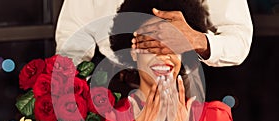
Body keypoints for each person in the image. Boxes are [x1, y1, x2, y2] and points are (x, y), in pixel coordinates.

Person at [98, 0, 232, 121]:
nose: (163, 56)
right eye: (152, 46)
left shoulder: (208, 119)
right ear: (133, 51)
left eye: (173, 45)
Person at [55, 0, 253, 67]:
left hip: (183, 88)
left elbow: (239, 39)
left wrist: (194, 40)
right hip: (114, 90)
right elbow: (72, 40)